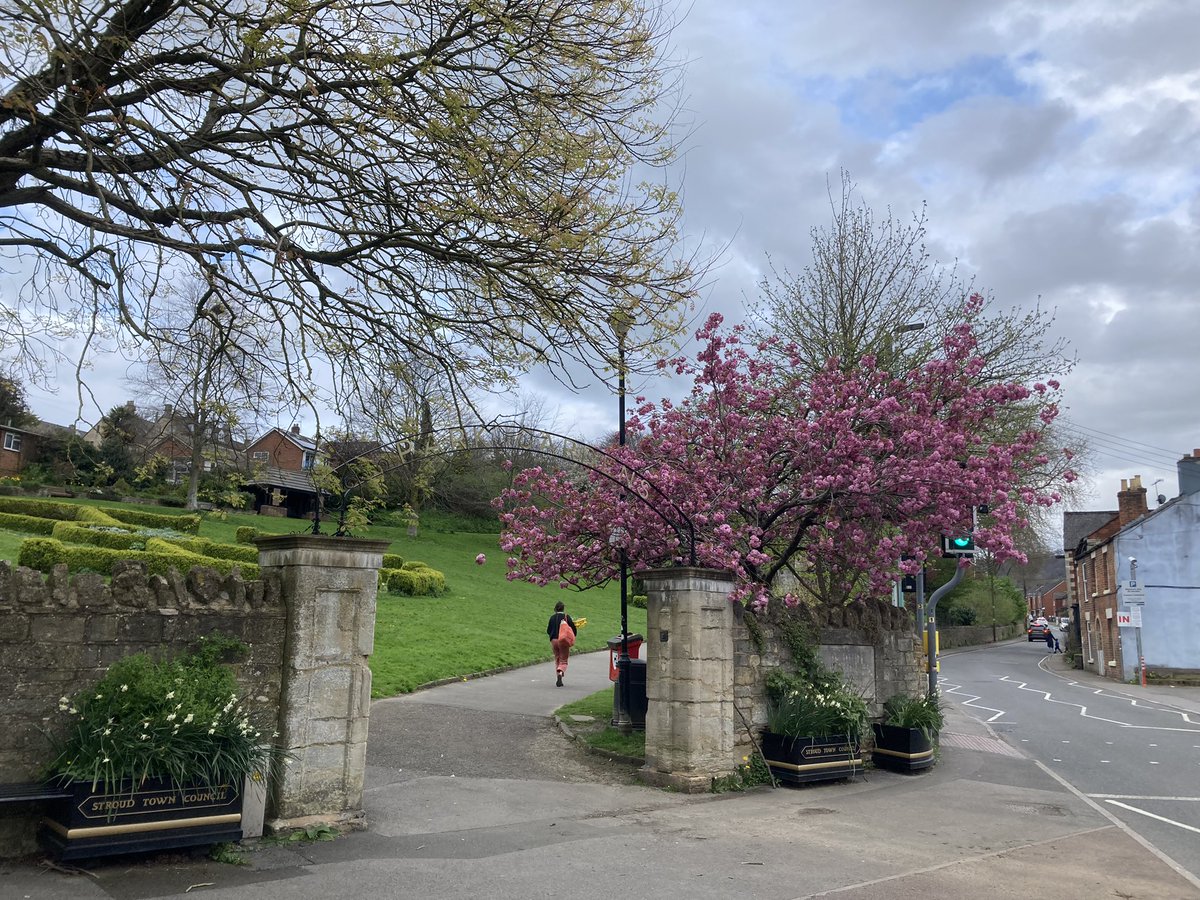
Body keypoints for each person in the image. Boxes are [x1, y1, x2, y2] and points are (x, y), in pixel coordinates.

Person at [547, 600, 577, 687]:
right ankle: (560, 673)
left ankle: (558, 677)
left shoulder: (552, 618)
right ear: (563, 608)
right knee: (563, 660)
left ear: (555, 609)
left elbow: (548, 630)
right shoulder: (566, 617)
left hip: (554, 640)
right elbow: (573, 629)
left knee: (557, 659)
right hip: (563, 641)